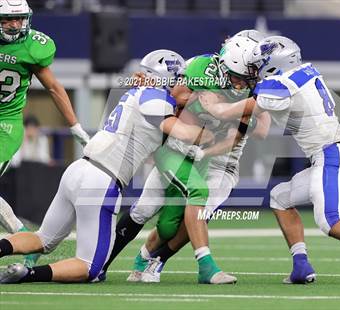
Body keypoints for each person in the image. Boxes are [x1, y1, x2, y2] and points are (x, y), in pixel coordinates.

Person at [199, 35, 340, 287]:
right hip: (331, 155)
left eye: (260, 63)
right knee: (280, 197)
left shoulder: (283, 83)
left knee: (330, 221)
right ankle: (301, 265)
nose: (256, 69)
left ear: (274, 63)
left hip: (331, 155)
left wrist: (216, 109)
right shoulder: (302, 73)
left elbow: (250, 107)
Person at [0, 49, 215, 284]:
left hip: (78, 169)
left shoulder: (140, 93)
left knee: (43, 239)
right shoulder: (156, 98)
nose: (184, 84)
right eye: (180, 78)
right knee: (91, 268)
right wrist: (211, 126)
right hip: (101, 180)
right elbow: (184, 133)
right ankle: (27, 274)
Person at [101, 34, 270, 284]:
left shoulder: (258, 80)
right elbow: (174, 95)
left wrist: (222, 109)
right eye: (240, 77)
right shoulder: (200, 67)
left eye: (250, 76)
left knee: (183, 219)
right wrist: (196, 103)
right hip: (178, 147)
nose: (243, 84)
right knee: (147, 207)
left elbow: (260, 130)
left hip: (220, 157)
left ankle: (153, 261)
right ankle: (100, 262)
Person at [0, 0, 89, 267]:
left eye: (19, 19)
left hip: (5, 123)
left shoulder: (32, 47)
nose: (15, 25)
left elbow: (54, 88)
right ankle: (25, 237)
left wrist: (74, 126)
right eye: (7, 19)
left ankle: (22, 238)